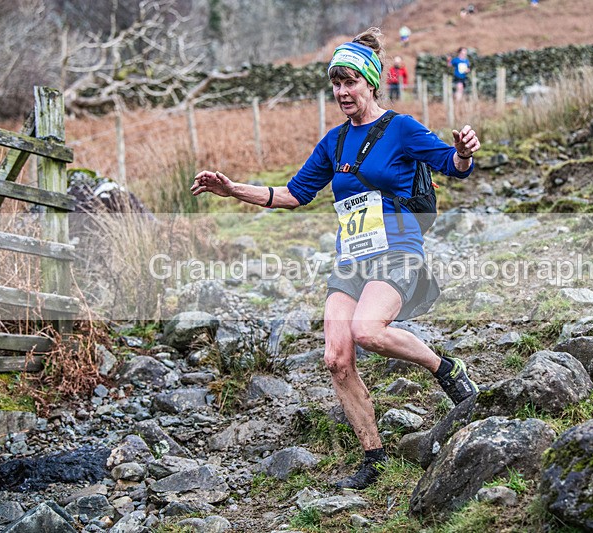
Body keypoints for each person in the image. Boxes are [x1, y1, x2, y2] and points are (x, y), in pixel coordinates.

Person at [191, 27, 481, 491]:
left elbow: (452, 165)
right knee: (336, 357)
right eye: (336, 84)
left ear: (371, 82)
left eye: (351, 82)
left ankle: (445, 368)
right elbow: (293, 193)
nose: (343, 92)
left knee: (368, 331)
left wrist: (464, 153)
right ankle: (374, 458)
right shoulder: (334, 142)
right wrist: (233, 190)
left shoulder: (402, 129)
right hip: (352, 259)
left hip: (398, 251)